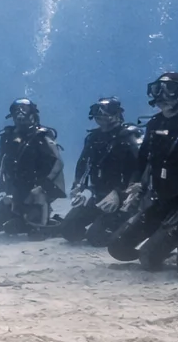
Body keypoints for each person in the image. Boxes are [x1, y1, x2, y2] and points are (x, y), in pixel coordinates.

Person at [106, 72, 178, 276]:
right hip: (163, 202)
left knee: (169, 265)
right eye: (157, 89)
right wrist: (135, 184)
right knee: (118, 247)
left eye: (170, 89)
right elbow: (142, 161)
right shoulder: (155, 123)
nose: (162, 95)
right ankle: (171, 241)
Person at [60, 97, 142, 246]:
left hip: (122, 197)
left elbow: (141, 166)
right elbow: (83, 164)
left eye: (107, 111)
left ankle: (129, 220)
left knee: (96, 238)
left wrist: (122, 194)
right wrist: (78, 186)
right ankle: (104, 222)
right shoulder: (93, 138)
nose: (101, 115)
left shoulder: (129, 136)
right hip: (98, 194)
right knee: (68, 230)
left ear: (117, 113)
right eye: (97, 111)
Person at [0, 98, 65, 239]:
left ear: (33, 114)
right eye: (16, 111)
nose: (20, 115)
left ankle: (50, 223)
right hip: (15, 192)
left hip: (36, 192)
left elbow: (58, 162)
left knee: (32, 233)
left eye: (24, 110)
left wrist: (43, 187)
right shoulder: (8, 136)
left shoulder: (42, 136)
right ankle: (23, 220)